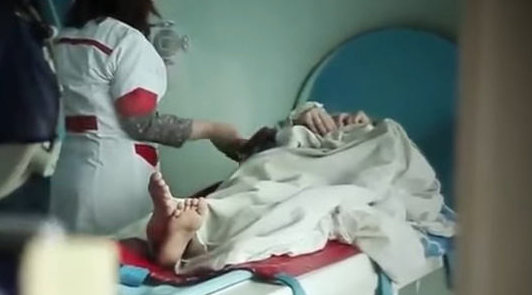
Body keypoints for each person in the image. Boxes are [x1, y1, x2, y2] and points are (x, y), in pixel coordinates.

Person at [50, 0, 249, 236]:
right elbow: (140, 124)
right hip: (113, 184)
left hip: (70, 173)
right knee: (118, 259)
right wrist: (213, 130)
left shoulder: (66, 39)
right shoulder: (127, 43)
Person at [144, 107, 372, 267]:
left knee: (265, 198)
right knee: (249, 191)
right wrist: (303, 119)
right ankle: (185, 236)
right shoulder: (309, 129)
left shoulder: (378, 137)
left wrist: (370, 128)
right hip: (272, 166)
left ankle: (183, 236)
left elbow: (385, 166)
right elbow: (257, 147)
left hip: (308, 177)